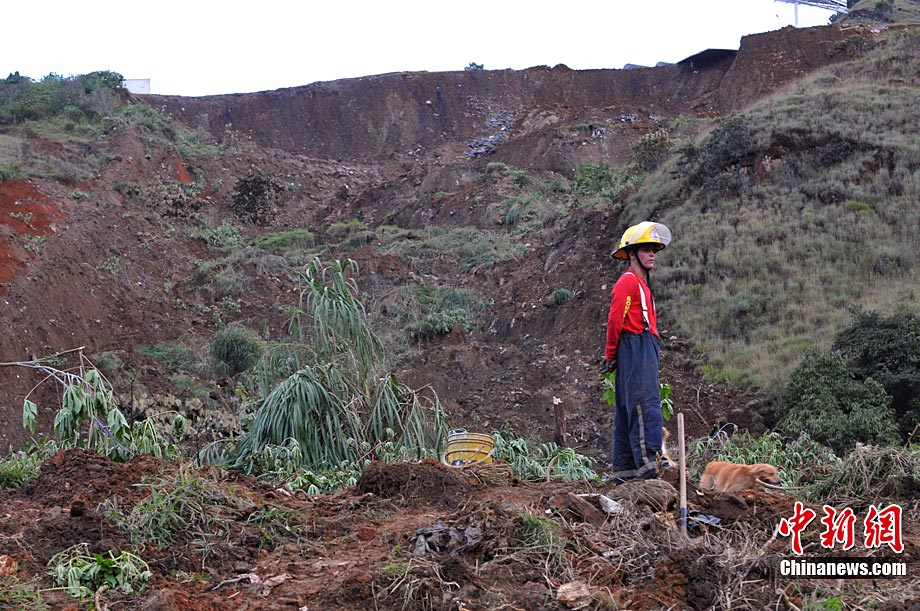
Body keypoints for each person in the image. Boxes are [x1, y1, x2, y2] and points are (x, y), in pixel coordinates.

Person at [602, 221, 671, 482]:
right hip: (635, 351)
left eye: (653, 249)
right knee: (644, 406)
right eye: (645, 249)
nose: (652, 254)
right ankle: (650, 469)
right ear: (632, 254)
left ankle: (627, 474)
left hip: (642, 350)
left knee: (631, 409)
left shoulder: (643, 286)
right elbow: (615, 320)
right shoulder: (628, 282)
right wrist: (611, 355)